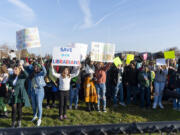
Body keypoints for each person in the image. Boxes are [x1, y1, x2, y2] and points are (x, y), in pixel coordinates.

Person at [8, 63, 30, 128]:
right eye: (14, 69)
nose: (14, 70)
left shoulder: (22, 76)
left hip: (20, 94)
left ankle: (19, 122)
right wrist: (10, 89)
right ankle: (13, 122)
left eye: (16, 69)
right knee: (14, 109)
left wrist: (22, 68)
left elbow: (27, 75)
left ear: (19, 70)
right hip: (14, 95)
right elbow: (8, 84)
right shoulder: (11, 76)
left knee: (19, 109)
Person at [29, 60, 47, 126]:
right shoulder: (32, 74)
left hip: (40, 91)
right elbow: (30, 66)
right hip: (33, 91)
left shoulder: (41, 73)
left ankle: (39, 118)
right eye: (35, 67)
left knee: (39, 105)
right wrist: (33, 61)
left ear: (39, 68)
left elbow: (45, 72)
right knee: (33, 105)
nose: (35, 68)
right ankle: (35, 116)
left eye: (37, 67)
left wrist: (42, 65)